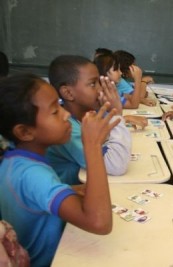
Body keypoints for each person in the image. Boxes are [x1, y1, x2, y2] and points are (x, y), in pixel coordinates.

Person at [0, 74, 115, 266]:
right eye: (55, 111)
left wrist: (68, 189)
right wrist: (92, 146)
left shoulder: (15, 161)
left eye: (60, 105)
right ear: (25, 132)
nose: (66, 114)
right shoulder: (32, 174)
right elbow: (99, 223)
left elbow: (31, 196)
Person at [46, 55, 131, 185]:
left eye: (99, 82)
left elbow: (106, 139)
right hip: (69, 193)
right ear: (68, 93)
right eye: (93, 84)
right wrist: (116, 114)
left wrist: (114, 117)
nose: (100, 89)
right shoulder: (66, 128)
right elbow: (116, 165)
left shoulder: (90, 114)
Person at [93, 54, 148, 129]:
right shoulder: (99, 96)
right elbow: (134, 104)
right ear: (104, 73)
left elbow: (131, 101)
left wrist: (125, 118)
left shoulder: (112, 91)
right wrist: (138, 79)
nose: (120, 73)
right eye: (116, 70)